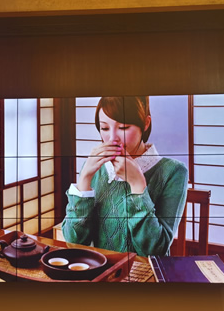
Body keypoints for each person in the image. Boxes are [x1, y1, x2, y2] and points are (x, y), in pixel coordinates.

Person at [62, 96, 188, 257]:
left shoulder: (174, 172)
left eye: (123, 127)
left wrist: (137, 185)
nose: (112, 138)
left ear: (146, 123)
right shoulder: (94, 167)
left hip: (144, 272)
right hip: (101, 268)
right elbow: (74, 242)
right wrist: (84, 179)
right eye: (104, 128)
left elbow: (155, 251)